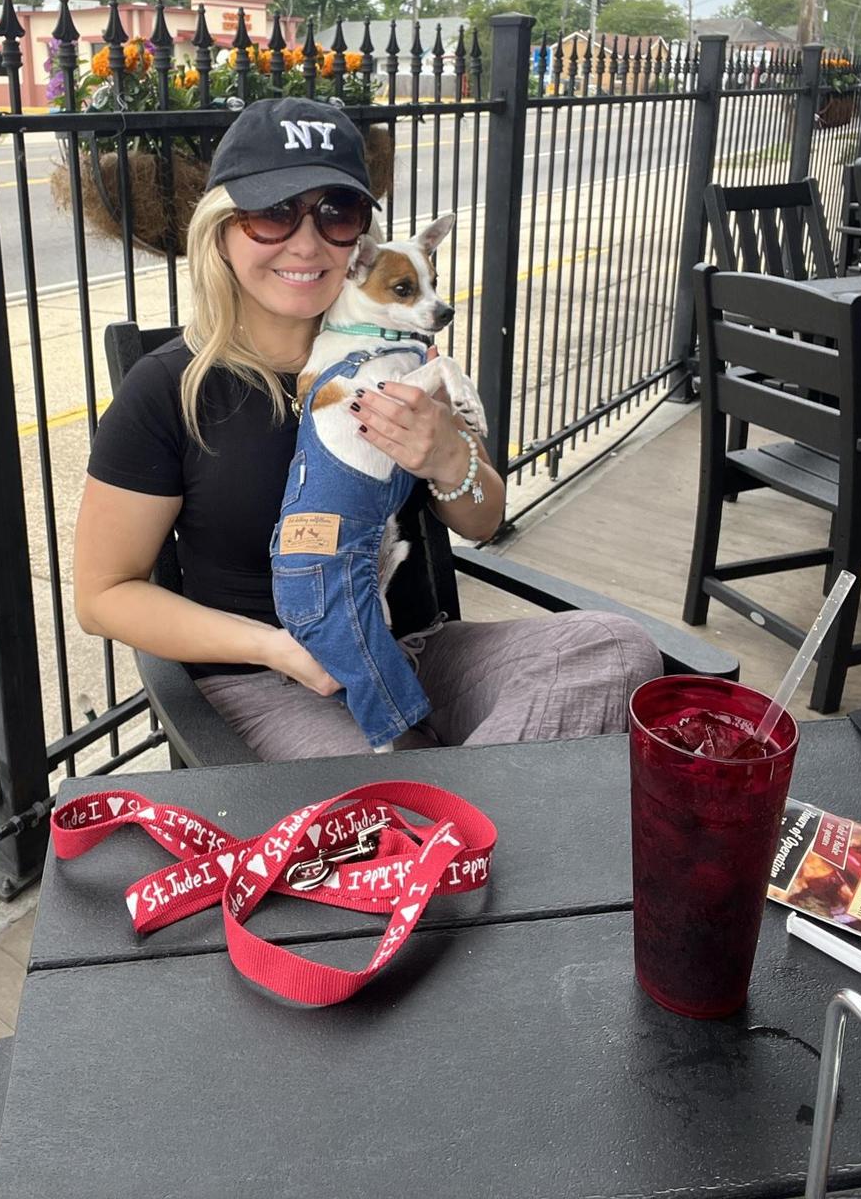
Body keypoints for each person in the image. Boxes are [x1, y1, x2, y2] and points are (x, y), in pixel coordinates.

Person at [73, 96, 661, 760]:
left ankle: (448, 825)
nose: (306, 242)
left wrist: (446, 456)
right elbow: (103, 596)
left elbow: (483, 521)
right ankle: (457, 815)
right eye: (272, 214)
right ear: (221, 231)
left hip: (413, 649)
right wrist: (274, 647)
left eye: (336, 213)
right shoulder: (169, 389)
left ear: (362, 237)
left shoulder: (403, 362)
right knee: (385, 790)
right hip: (267, 682)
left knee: (614, 651)